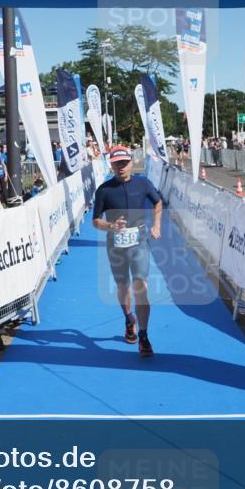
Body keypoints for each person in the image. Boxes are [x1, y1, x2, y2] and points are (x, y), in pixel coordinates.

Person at [92, 145, 163, 358]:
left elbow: (158, 202)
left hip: (139, 240)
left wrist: (156, 225)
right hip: (116, 244)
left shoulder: (143, 183)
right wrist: (110, 226)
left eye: (124, 162)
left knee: (141, 286)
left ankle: (143, 335)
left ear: (131, 163)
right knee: (123, 286)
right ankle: (128, 317)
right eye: (116, 163)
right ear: (111, 165)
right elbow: (95, 221)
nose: (121, 167)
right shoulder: (104, 190)